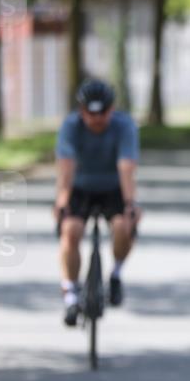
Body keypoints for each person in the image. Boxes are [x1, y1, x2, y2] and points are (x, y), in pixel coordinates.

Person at [54, 79, 141, 326]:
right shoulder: (71, 126)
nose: (96, 119)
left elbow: (126, 167)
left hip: (113, 187)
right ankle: (70, 293)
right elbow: (66, 166)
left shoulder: (124, 126)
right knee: (70, 231)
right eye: (90, 114)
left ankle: (115, 275)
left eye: (102, 113)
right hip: (80, 187)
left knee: (124, 226)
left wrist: (130, 203)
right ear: (81, 111)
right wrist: (62, 202)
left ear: (111, 110)